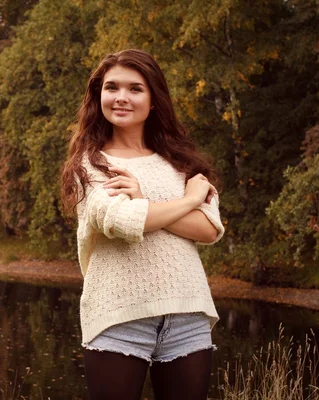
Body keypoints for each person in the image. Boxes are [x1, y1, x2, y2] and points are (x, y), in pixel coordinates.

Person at [60, 49, 225, 400]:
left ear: (153, 100)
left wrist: (144, 202)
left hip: (187, 314)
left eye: (135, 88)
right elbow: (122, 221)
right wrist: (189, 201)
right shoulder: (91, 164)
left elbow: (209, 229)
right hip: (118, 316)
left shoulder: (181, 160)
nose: (121, 97)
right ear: (98, 96)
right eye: (111, 87)